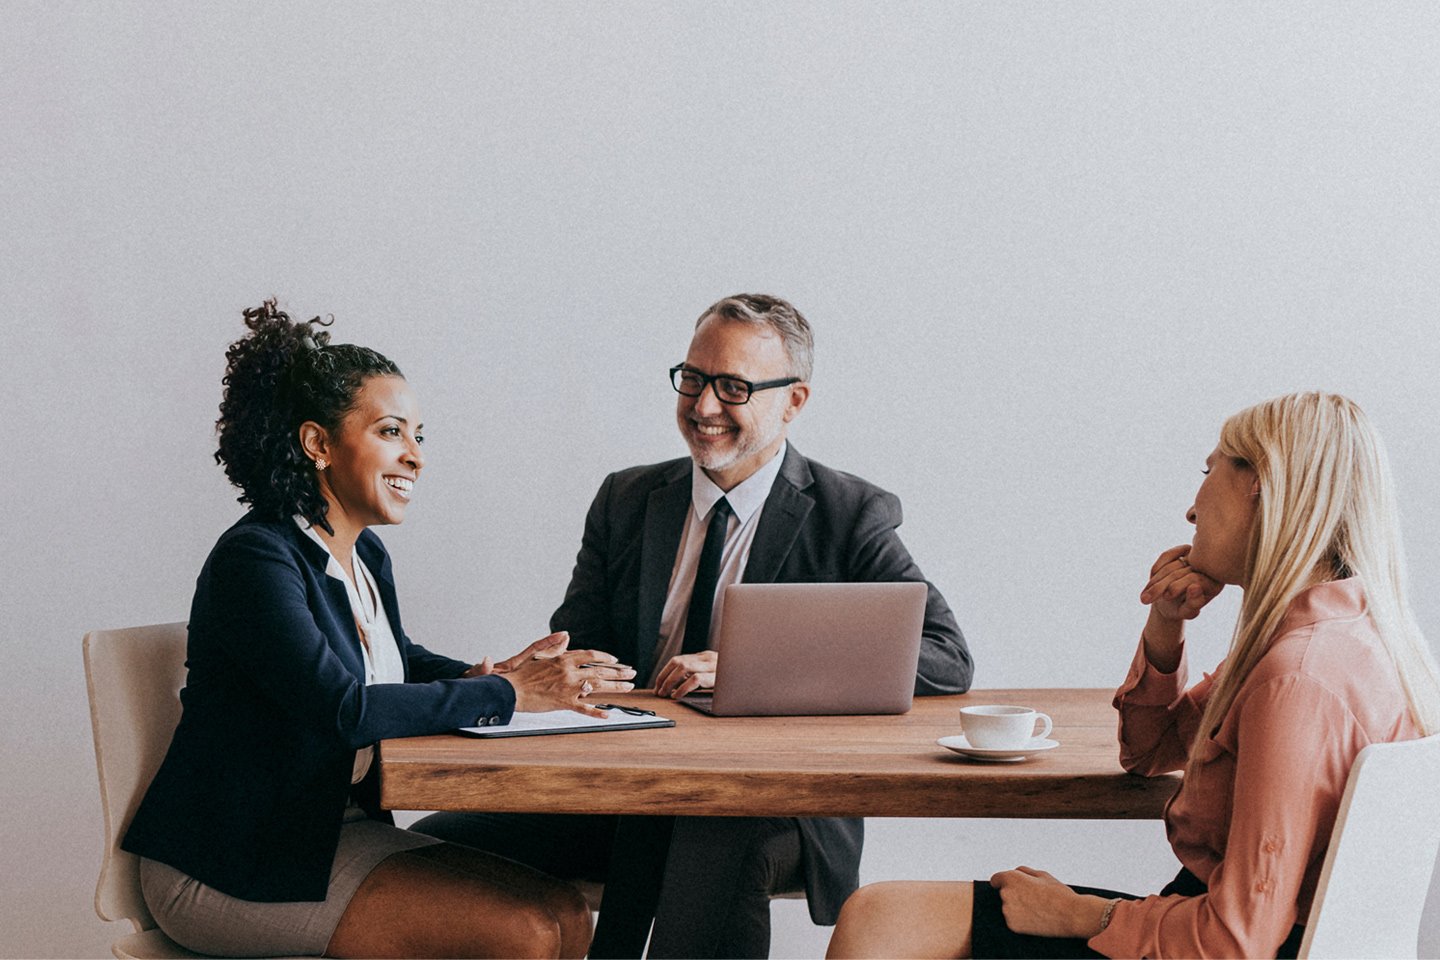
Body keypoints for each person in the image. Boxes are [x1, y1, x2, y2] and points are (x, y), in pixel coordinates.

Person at [413, 293, 973, 958]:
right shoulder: (625, 499)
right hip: (626, 786)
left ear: (794, 401)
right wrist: (550, 675)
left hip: (776, 801)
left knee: (716, 839)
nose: (704, 407)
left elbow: (945, 658)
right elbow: (580, 643)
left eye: (733, 387)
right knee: (426, 851)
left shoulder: (850, 514)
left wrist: (751, 667)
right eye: (694, 379)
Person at [826, 391, 1440, 960]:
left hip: (1216, 942)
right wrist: (1166, 626)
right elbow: (1147, 752)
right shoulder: (1341, 635)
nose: (1192, 507)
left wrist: (1084, 915)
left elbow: (1237, 939)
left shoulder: (1298, 679)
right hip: (1228, 926)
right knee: (887, 914)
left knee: (878, 919)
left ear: (1261, 485)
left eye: (1210, 472)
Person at [122, 299, 637, 959]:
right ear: (318, 443)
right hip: (229, 862)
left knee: (565, 912)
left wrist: (488, 675)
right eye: (392, 431)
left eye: (420, 435)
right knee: (526, 931)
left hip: (325, 833)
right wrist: (509, 694)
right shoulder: (257, 558)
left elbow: (394, 662)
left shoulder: (363, 554)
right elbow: (341, 707)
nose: (415, 457)